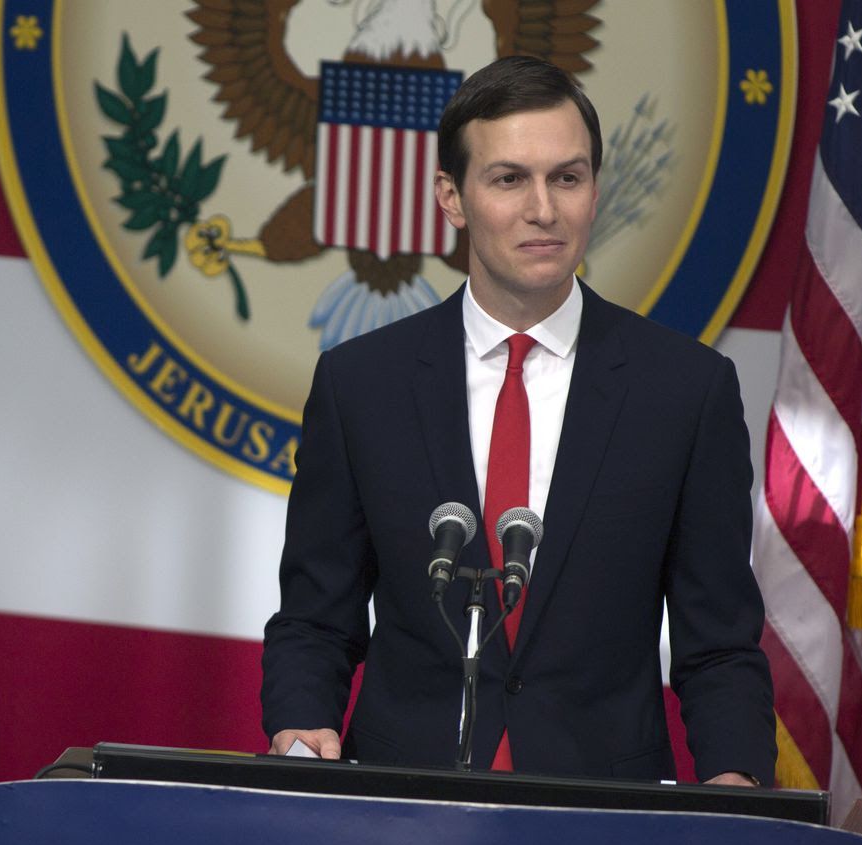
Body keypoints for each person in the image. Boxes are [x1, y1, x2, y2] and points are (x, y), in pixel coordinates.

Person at [260, 56, 772, 786]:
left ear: (595, 191)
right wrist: (302, 730)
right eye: (509, 180)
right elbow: (316, 617)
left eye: (568, 177)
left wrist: (736, 788)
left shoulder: (686, 392)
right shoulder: (361, 385)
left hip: (603, 816)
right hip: (397, 808)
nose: (544, 209)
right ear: (453, 197)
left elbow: (719, 643)